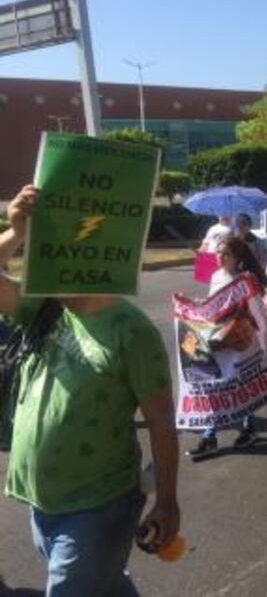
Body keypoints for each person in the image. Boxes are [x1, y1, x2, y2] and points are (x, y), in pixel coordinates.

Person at [0, 185, 180, 594]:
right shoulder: (43, 309)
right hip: (42, 503)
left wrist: (167, 501)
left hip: (98, 505)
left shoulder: (131, 331)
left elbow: (161, 421)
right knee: (106, 584)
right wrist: (17, 231)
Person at [188, 237, 267, 459]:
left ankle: (244, 429)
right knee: (217, 388)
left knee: (241, 386)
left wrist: (237, 314)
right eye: (218, 252)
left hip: (240, 340)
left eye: (226, 253)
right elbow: (212, 304)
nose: (220, 257)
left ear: (238, 258)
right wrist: (199, 307)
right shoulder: (216, 276)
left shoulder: (245, 279)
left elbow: (256, 309)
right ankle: (212, 437)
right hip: (217, 340)